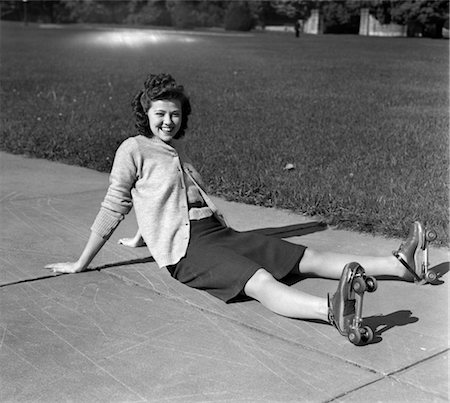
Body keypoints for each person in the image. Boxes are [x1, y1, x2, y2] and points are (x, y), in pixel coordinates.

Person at [45, 73, 430, 342]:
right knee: (261, 281)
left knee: (308, 255)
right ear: (145, 114)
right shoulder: (133, 149)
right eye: (160, 113)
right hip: (189, 252)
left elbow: (157, 204)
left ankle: (401, 265)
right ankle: (333, 310)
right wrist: (82, 262)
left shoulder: (173, 152)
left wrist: (140, 236)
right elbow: (117, 203)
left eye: (175, 114)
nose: (168, 120)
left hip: (219, 234)